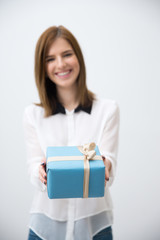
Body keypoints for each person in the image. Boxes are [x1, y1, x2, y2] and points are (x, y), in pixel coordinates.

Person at [23, 25, 120, 240]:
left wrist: (105, 165)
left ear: (78, 58)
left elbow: (109, 163)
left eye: (67, 54)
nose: (61, 64)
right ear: (42, 67)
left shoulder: (108, 109)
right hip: (45, 226)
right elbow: (32, 166)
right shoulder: (32, 115)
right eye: (50, 59)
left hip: (95, 225)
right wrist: (40, 173)